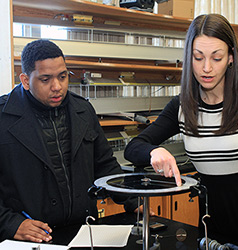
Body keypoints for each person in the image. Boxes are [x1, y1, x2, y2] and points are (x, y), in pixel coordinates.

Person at [124, 14, 238, 249]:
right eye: (198, 58)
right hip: (209, 230)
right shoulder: (182, 107)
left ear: (231, 58)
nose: (207, 68)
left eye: (216, 58)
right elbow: (133, 148)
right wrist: (154, 151)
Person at [0, 39, 141, 243]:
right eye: (45, 79)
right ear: (24, 80)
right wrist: (10, 224)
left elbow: (105, 165)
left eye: (63, 76)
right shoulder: (3, 117)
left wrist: (132, 200)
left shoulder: (83, 110)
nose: (57, 86)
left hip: (82, 231)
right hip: (31, 239)